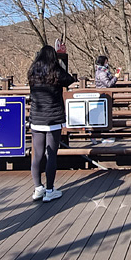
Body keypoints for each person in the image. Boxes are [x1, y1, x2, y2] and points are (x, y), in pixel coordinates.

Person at [28, 45, 77, 203]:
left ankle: (38, 188)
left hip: (36, 119)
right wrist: (61, 61)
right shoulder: (56, 72)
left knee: (37, 155)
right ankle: (50, 190)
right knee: (51, 156)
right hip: (53, 119)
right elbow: (69, 80)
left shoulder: (32, 72)